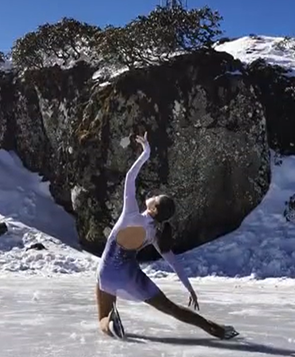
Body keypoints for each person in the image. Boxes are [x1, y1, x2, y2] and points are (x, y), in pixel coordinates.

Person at [94, 131, 238, 340]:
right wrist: (190, 289)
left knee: (102, 319)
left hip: (107, 272)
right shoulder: (155, 234)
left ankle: (111, 324)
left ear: (153, 209)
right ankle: (216, 329)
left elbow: (130, 178)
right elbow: (174, 264)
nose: (151, 197)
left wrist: (146, 153)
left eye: (154, 199)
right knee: (170, 307)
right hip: (131, 277)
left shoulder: (131, 213)